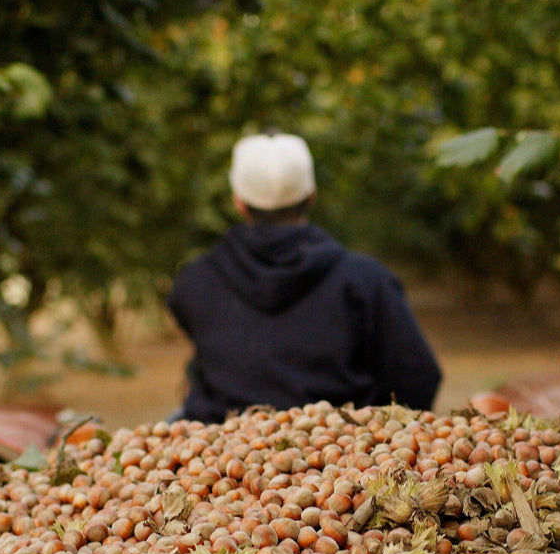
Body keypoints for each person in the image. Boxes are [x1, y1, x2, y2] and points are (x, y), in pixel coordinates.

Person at [167, 132, 442, 424]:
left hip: (217, 451)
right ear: (311, 197)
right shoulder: (367, 281)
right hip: (339, 449)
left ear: (239, 202)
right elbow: (418, 376)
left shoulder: (194, 281)